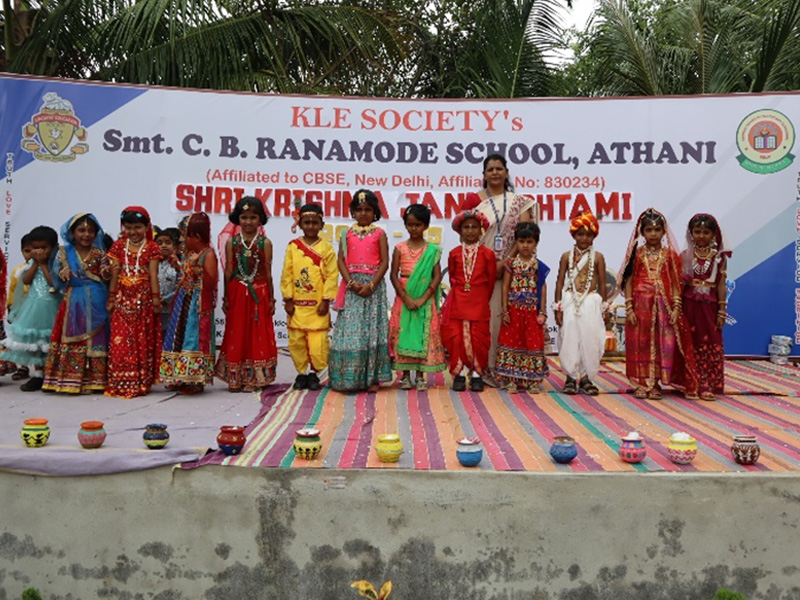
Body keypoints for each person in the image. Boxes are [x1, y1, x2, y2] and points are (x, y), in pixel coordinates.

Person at [618, 208, 697, 400]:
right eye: (649, 230)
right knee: (641, 343)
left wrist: (677, 306)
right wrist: (629, 307)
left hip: (664, 305)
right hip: (641, 304)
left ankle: (656, 383)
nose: (653, 233)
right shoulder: (636, 254)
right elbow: (628, 281)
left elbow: (676, 282)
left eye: (657, 229)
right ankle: (642, 382)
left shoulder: (670, 255)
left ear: (663, 231)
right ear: (642, 232)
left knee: (664, 344)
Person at [472, 154, 539, 381]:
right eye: (490, 169)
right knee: (485, 318)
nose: (494, 173)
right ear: (483, 174)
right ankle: (485, 367)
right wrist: (487, 263)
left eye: (499, 168)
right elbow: (468, 234)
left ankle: (507, 370)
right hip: (481, 268)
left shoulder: (519, 202)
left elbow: (524, 234)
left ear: (506, 172)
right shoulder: (474, 200)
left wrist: (506, 262)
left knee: (505, 317)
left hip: (511, 270)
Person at [328, 189, 392, 392]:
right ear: (353, 212)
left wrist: (371, 285)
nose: (363, 213)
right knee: (351, 332)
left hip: (374, 286)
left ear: (375, 212)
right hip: (352, 286)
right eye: (359, 209)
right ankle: (347, 377)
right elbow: (340, 260)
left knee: (373, 330)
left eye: (367, 209)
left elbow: (384, 261)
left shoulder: (379, 233)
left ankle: (373, 378)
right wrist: (350, 283)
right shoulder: (346, 233)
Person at [42, 214, 111, 394]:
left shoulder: (100, 253)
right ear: (72, 233)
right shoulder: (64, 252)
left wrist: (110, 270)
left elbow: (106, 276)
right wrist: (62, 272)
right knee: (72, 340)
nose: (86, 234)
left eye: (90, 231)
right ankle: (69, 379)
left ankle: (96, 381)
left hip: (97, 300)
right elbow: (56, 276)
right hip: (73, 301)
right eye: (81, 230)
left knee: (96, 339)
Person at [216, 197, 278, 392]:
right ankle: (235, 378)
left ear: (260, 219)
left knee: (256, 334)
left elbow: (268, 272)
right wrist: (226, 298)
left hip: (259, 292)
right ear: (237, 218)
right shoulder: (232, 242)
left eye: (253, 217)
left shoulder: (265, 243)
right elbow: (228, 271)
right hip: (237, 292)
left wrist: (271, 299)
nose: (248, 222)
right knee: (236, 333)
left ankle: (254, 378)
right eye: (244, 217)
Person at [105, 206, 162, 398]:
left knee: (141, 340)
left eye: (137, 227)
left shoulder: (152, 247)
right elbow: (115, 273)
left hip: (143, 299)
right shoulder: (118, 246)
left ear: (147, 227)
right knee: (120, 340)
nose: (133, 232)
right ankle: (120, 381)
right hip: (122, 298)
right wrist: (111, 298)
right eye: (128, 227)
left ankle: (140, 382)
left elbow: (153, 275)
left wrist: (155, 299)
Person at [280, 204, 338, 391]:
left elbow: (331, 275)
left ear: (322, 224)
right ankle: (301, 373)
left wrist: (326, 300)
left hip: (317, 305)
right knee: (297, 341)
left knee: (318, 343)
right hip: (297, 305)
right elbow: (287, 273)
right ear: (300, 223)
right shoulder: (293, 247)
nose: (311, 226)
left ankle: (315, 374)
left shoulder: (327, 248)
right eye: (307, 222)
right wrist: (288, 298)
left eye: (315, 222)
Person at [388, 204, 446, 390]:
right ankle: (405, 376)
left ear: (426, 226)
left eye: (418, 225)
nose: (414, 228)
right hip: (404, 298)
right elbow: (393, 274)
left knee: (423, 334)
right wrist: (405, 297)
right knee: (404, 332)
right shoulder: (400, 248)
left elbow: (437, 276)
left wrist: (424, 298)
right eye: (410, 224)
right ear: (405, 225)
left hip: (424, 299)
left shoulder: (432, 251)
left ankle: (420, 376)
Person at [160, 212, 218, 395]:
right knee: (178, 336)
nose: (184, 240)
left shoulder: (207, 254)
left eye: (186, 235)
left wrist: (196, 268)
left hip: (198, 305)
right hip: (184, 300)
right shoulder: (189, 254)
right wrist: (180, 265)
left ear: (197, 236)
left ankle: (193, 380)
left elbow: (210, 283)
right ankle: (178, 376)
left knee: (193, 338)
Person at [440, 207, 497, 392]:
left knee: (478, 337)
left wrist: (480, 296)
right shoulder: (454, 253)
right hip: (458, 301)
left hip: (479, 301)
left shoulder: (488, 254)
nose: (471, 231)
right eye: (466, 227)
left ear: (481, 230)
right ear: (460, 230)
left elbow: (490, 282)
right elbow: (452, 279)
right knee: (456, 337)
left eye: (474, 227)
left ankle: (477, 375)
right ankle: (459, 374)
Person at [1, 226, 62, 391]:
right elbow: (26, 281)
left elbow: (54, 284)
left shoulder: (56, 263)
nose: (38, 251)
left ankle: (52, 375)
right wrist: (36, 263)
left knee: (51, 342)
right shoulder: (30, 263)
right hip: (34, 308)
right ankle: (38, 375)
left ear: (53, 247)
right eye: (35, 248)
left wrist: (43, 264)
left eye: (44, 248)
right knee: (36, 343)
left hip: (53, 307)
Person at [553, 211, 608, 395]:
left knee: (590, 339)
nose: (584, 238)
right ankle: (570, 377)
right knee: (570, 338)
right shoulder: (565, 256)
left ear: (594, 236)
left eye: (589, 234)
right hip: (570, 300)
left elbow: (602, 283)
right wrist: (557, 306)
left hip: (591, 301)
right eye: (580, 234)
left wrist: (604, 307)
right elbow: (559, 281)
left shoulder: (599, 257)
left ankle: (586, 379)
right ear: (574, 235)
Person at [495, 223, 550, 393]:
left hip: (531, 311)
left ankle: (532, 380)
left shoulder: (538, 265)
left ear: (536, 243)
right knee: (511, 341)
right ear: (516, 243)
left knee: (532, 343)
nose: (525, 245)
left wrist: (542, 311)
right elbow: (505, 287)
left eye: (529, 241)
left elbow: (542, 288)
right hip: (513, 310)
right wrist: (505, 310)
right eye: (521, 241)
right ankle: (511, 379)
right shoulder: (511, 263)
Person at [682, 213, 731, 401]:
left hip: (709, 307)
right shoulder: (684, 256)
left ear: (713, 234)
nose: (701, 235)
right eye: (697, 231)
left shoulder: (719, 258)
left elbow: (720, 284)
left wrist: (722, 309)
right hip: (689, 305)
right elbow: (680, 285)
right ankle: (690, 383)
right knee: (690, 342)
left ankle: (707, 384)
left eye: (706, 232)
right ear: (691, 233)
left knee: (710, 342)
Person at [154, 226, 181, 336]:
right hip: (153, 309)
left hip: (170, 310)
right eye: (159, 243)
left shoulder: (178, 266)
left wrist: (166, 299)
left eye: (167, 242)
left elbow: (180, 286)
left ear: (174, 247)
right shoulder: (151, 265)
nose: (163, 246)